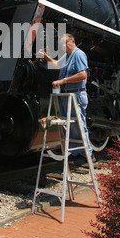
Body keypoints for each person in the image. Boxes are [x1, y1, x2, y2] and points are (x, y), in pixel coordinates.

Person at [41, 33, 94, 163]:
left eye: (65, 44)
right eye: (61, 45)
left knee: (79, 124)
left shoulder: (79, 54)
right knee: (69, 125)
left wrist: (63, 81)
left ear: (72, 41)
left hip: (76, 94)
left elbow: (83, 74)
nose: (63, 46)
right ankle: (75, 153)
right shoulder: (67, 56)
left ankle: (87, 154)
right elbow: (57, 65)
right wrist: (45, 56)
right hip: (67, 95)